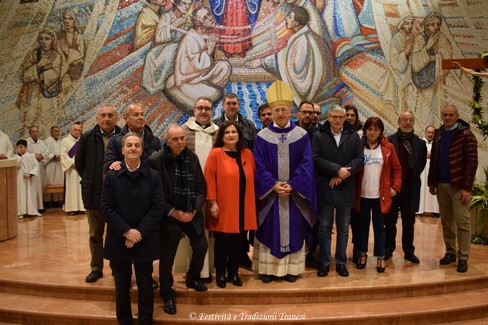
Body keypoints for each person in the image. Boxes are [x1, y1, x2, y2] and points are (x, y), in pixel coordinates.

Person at [253, 80, 317, 283]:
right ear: (270, 113)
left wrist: (293, 185)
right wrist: (272, 184)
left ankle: (291, 269)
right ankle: (268, 270)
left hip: (293, 195)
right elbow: (258, 165)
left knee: (294, 229)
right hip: (271, 195)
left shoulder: (302, 135)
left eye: (284, 109)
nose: (280, 113)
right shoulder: (262, 137)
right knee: (269, 228)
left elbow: (307, 164)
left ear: (291, 112)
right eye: (276, 110)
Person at [101, 134, 164, 325]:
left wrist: (139, 233)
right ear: (122, 150)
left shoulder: (153, 176)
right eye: (129, 145)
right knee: (121, 284)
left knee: (145, 283)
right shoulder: (112, 176)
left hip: (144, 238)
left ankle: (146, 320)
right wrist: (127, 231)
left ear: (142, 149)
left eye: (137, 145)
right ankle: (124, 320)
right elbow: (106, 207)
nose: (133, 148)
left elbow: (157, 207)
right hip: (119, 238)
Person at [148, 125, 208, 315]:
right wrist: (173, 212)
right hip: (169, 217)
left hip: (191, 213)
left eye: (182, 138)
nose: (180, 142)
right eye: (175, 139)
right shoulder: (155, 161)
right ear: (167, 140)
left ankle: (192, 278)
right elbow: (154, 194)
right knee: (167, 258)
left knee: (201, 245)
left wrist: (194, 210)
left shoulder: (192, 157)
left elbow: (200, 187)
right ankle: (166, 293)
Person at [312, 105, 363, 277]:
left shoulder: (353, 136)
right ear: (328, 116)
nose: (337, 120)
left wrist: (342, 174)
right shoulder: (319, 135)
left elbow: (359, 159)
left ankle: (341, 262)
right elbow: (316, 158)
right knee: (325, 227)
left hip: (345, 187)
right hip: (326, 186)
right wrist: (336, 170)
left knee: (343, 228)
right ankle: (325, 262)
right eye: (334, 116)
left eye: (340, 117)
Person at [204, 121, 257, 288]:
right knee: (223, 242)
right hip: (224, 206)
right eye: (227, 132)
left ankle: (234, 272)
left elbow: (253, 177)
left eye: (234, 132)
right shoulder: (215, 154)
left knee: (238, 242)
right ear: (222, 136)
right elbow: (209, 179)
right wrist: (212, 202)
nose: (231, 135)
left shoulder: (247, 153)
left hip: (243, 205)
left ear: (239, 135)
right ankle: (220, 273)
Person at [245, 6, 334, 105]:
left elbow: (289, 62)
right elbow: (286, 54)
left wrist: (261, 62)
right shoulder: (304, 35)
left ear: (297, 22)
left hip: (308, 88)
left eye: (290, 17)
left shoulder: (303, 40)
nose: (286, 19)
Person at [428, 105, 478, 273]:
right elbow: (434, 159)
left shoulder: (466, 135)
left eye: (451, 115)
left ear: (457, 116)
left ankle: (463, 257)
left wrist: (466, 188)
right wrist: (432, 182)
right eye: (445, 115)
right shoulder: (439, 133)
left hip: (458, 186)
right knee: (447, 221)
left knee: (462, 222)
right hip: (441, 184)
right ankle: (450, 252)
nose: (447, 117)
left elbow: (472, 163)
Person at [76, 105, 121, 283]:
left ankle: (117, 267)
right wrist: (91, 180)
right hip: (94, 193)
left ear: (117, 118)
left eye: (110, 115)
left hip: (117, 195)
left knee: (117, 232)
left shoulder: (123, 137)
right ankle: (96, 267)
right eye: (103, 115)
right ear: (97, 118)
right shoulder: (87, 137)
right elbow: (80, 164)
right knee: (95, 233)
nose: (107, 118)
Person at [213, 92, 257, 268]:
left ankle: (241, 255)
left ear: (239, 105)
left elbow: (253, 150)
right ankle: (223, 264)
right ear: (223, 105)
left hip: (243, 178)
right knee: (224, 227)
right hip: (224, 179)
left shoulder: (249, 124)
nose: (232, 106)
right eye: (228, 103)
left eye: (235, 103)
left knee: (242, 224)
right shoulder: (215, 125)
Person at [355, 117, 402, 273]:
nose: (372, 132)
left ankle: (381, 256)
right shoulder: (358, 146)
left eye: (376, 129)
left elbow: (397, 169)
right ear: (365, 130)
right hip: (362, 195)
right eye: (369, 129)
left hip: (380, 196)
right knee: (362, 227)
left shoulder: (388, 148)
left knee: (380, 228)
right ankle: (362, 254)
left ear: (381, 131)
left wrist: (395, 187)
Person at [165, 6, 231, 114]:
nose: (210, 18)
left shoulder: (205, 33)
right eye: (205, 18)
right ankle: (196, 91)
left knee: (225, 67)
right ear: (198, 22)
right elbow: (194, 65)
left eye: (209, 14)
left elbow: (208, 62)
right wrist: (209, 50)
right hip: (189, 78)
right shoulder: (191, 38)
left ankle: (201, 89)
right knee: (213, 93)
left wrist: (211, 51)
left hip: (201, 75)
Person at [181, 97, 219, 281]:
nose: (203, 112)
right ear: (194, 110)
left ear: (212, 111)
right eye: (200, 108)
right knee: (196, 232)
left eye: (207, 108)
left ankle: (211, 268)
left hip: (213, 190)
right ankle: (196, 271)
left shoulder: (218, 133)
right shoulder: (184, 132)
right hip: (192, 191)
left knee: (212, 231)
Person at [385, 112, 427, 263]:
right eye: (405, 120)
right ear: (398, 121)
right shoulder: (389, 141)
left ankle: (409, 251)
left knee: (409, 222)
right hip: (393, 188)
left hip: (411, 187)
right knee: (390, 220)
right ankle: (388, 249)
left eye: (410, 120)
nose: (408, 122)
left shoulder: (420, 144)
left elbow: (420, 165)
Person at [16, 27, 65, 138]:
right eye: (41, 39)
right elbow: (25, 76)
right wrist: (40, 64)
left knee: (47, 122)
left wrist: (40, 76)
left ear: (53, 40)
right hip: (32, 95)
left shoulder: (56, 56)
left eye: (47, 39)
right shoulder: (33, 55)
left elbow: (56, 74)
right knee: (31, 120)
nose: (44, 42)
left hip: (48, 95)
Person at [141, 0, 193, 95]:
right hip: (165, 45)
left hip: (180, 47)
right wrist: (175, 24)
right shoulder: (166, 16)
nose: (187, 7)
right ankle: (156, 84)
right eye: (184, 3)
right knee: (154, 54)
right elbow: (159, 38)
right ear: (177, 4)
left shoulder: (187, 19)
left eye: (189, 4)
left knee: (171, 52)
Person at [411, 12, 452, 130]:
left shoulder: (441, 37)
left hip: (437, 78)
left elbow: (447, 52)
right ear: (426, 26)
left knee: (438, 105)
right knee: (426, 106)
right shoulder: (419, 39)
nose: (436, 27)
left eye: (438, 24)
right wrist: (429, 46)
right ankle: (423, 130)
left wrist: (439, 56)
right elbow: (416, 64)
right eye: (432, 24)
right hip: (424, 79)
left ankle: (437, 130)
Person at [104, 103, 161, 173]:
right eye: (136, 115)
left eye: (142, 114)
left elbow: (160, 167)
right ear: (126, 119)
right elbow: (107, 165)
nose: (140, 118)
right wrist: (112, 164)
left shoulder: (154, 141)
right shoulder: (115, 140)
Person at [380, 15, 416, 113]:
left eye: (411, 23)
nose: (410, 26)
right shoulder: (396, 39)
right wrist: (405, 52)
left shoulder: (410, 37)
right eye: (407, 23)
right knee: (400, 96)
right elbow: (394, 60)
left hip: (408, 71)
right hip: (398, 72)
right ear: (402, 25)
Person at [61, 121, 85, 215]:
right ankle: (72, 208)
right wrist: (73, 163)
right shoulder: (65, 141)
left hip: (81, 169)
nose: (77, 132)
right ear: (71, 130)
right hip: (71, 169)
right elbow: (63, 155)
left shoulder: (82, 141)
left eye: (79, 130)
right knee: (72, 189)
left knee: (80, 188)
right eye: (75, 130)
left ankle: (81, 207)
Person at [57, 9, 86, 83]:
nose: (67, 21)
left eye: (70, 18)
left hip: (73, 63)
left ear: (74, 21)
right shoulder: (60, 35)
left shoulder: (78, 36)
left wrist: (69, 52)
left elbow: (81, 53)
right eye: (65, 18)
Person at [25, 126, 49, 213]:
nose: (35, 133)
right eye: (33, 132)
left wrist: (41, 155)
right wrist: (34, 156)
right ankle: (33, 206)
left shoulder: (42, 142)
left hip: (41, 167)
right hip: (32, 168)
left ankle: (40, 206)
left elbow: (47, 152)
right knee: (33, 187)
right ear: (30, 133)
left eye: (36, 131)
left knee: (40, 186)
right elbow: (25, 153)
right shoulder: (27, 142)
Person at [417, 125, 439, 216]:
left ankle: (435, 211)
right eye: (428, 132)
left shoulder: (437, 144)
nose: (430, 134)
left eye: (432, 133)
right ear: (425, 132)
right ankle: (419, 210)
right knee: (422, 189)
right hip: (422, 171)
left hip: (433, 170)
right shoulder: (420, 143)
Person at [15, 139, 40, 218]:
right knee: (21, 194)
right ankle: (21, 212)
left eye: (21, 147)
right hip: (20, 179)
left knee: (30, 194)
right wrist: (19, 155)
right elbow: (17, 165)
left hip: (30, 179)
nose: (20, 149)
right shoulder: (16, 157)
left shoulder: (31, 156)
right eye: (18, 147)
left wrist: (30, 174)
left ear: (25, 147)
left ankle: (32, 211)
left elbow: (36, 166)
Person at [44, 126, 63, 207]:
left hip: (59, 165)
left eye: (58, 131)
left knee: (58, 182)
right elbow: (45, 153)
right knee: (50, 182)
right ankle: (48, 201)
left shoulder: (61, 142)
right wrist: (54, 156)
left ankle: (58, 201)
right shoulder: (47, 141)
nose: (57, 133)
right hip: (50, 164)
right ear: (51, 132)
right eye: (55, 131)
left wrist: (61, 156)